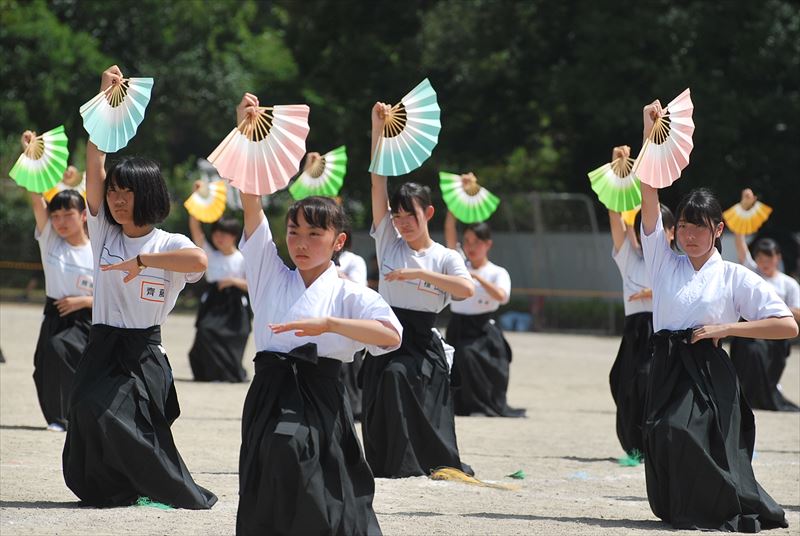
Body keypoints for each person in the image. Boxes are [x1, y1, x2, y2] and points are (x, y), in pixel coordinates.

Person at [233, 93, 402, 535]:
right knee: (266, 471)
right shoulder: (270, 271)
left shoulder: (347, 291)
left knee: (313, 479)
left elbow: (390, 336)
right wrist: (246, 133)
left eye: (314, 234)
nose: (301, 242)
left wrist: (328, 325)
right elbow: (251, 203)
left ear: (338, 242)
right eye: (293, 232)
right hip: (269, 390)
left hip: (322, 393)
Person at [62, 66, 216, 510]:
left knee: (120, 418)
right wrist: (104, 102)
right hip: (102, 343)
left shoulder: (169, 242)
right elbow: (95, 160)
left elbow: (198, 262)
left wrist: (144, 261)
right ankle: (112, 488)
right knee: (87, 412)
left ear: (148, 193)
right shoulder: (104, 231)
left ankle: (161, 486)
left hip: (143, 350)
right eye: (113, 191)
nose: (116, 198)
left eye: (126, 192)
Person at [638, 99, 796, 532]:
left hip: (708, 367)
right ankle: (683, 509)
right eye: (684, 227)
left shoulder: (733, 276)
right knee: (662, 436)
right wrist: (649, 133)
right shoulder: (661, 260)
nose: (689, 236)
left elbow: (787, 325)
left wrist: (728, 328)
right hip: (666, 363)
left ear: (718, 230)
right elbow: (648, 194)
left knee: (684, 432)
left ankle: (712, 507)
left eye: (700, 228)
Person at [361, 101, 476, 478]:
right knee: (383, 382)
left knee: (399, 376)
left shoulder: (445, 256)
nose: (402, 222)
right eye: (397, 215)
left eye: (410, 214)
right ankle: (390, 460)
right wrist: (377, 129)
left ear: (427, 213)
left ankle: (420, 458)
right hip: (387, 330)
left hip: (423, 338)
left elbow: (464, 289)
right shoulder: (389, 243)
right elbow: (378, 181)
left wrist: (417, 277)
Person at [606, 146, 675, 462]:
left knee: (650, 382)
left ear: (669, 233)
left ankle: (656, 440)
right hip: (634, 332)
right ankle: (634, 444)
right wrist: (617, 169)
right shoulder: (628, 260)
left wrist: (651, 294)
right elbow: (614, 212)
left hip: (660, 332)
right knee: (623, 381)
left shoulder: (674, 262)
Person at [21, 135, 94, 431]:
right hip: (55, 314)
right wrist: (32, 156)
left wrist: (84, 301)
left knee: (63, 353)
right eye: (56, 215)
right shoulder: (50, 240)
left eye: (68, 215)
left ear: (84, 216)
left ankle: (72, 417)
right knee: (45, 364)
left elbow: (111, 289)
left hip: (89, 318)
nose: (61, 221)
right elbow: (36, 197)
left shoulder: (98, 247)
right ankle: (58, 417)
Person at [442, 183, 524, 418]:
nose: (470, 247)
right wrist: (458, 195)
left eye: (476, 242)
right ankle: (463, 405)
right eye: (467, 241)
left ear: (488, 244)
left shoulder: (497, 272)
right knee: (462, 357)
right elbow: (450, 229)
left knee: (485, 360)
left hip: (483, 327)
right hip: (459, 324)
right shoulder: (458, 263)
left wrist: (477, 277)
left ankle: (485, 403)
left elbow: (502, 296)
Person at [730, 189, 800, 411]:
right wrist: (743, 209)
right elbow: (740, 243)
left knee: (760, 350)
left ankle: (766, 392)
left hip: (774, 332)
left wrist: (775, 310)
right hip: (751, 330)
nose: (764, 262)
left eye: (768, 258)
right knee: (748, 348)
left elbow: (797, 312)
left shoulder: (789, 283)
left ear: (777, 258)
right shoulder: (752, 272)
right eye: (760, 258)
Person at [187, 195, 251, 382]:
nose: (219, 238)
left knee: (235, 337)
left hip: (235, 304)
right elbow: (196, 229)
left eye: (224, 234)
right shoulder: (209, 254)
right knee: (205, 332)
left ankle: (230, 373)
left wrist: (232, 281)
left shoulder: (243, 258)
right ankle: (208, 373)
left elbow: (252, 286)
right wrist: (196, 198)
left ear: (233, 236)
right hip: (213, 301)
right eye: (216, 233)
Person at [335, 222, 370, 420]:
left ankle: (355, 408)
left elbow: (359, 287)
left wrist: (338, 275)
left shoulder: (354, 260)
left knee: (351, 366)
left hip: (348, 318)